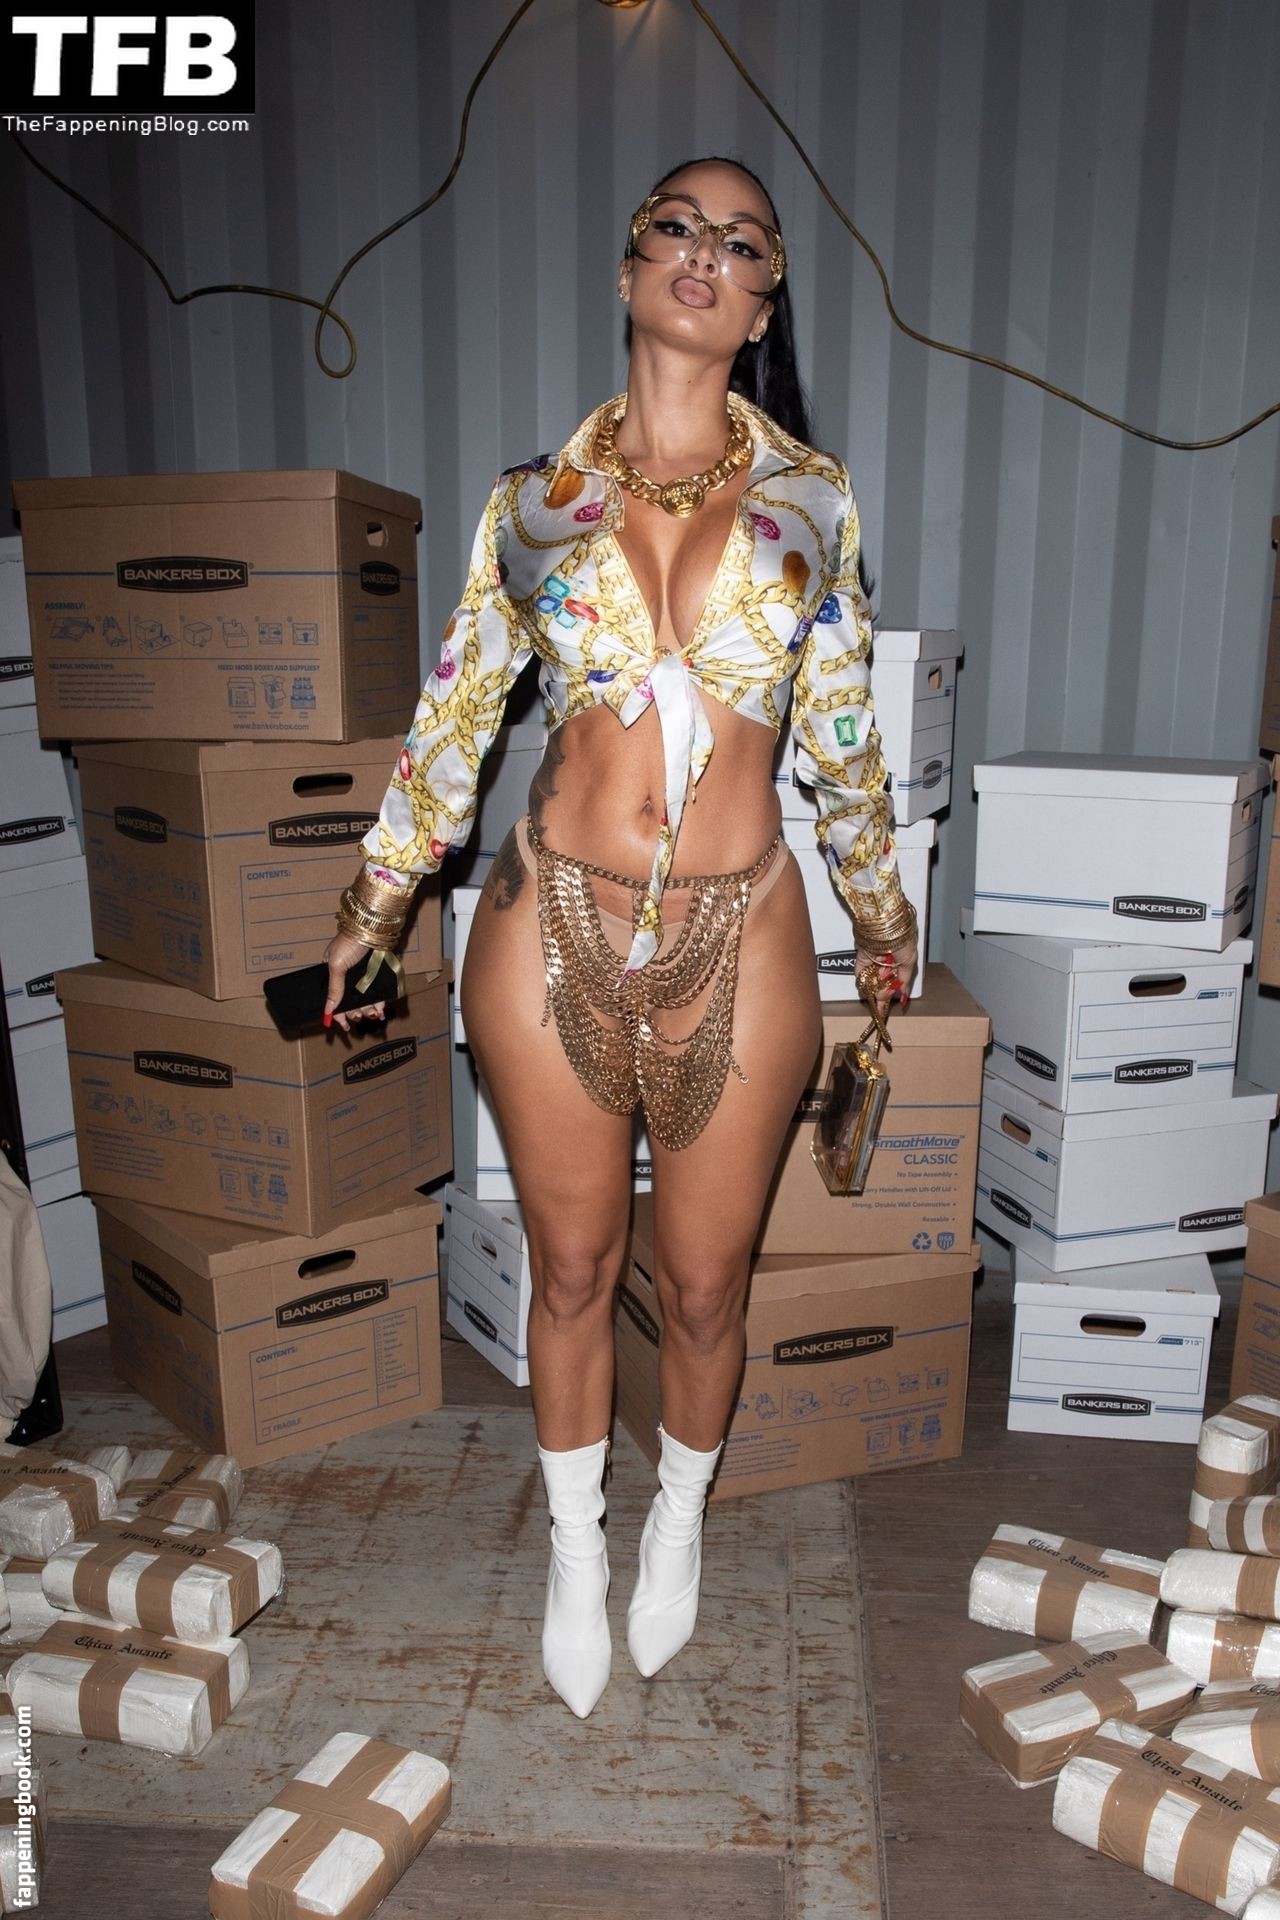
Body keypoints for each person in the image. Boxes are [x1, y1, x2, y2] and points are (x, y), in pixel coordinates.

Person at [322, 155, 918, 1719]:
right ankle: (576, 1550)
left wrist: (881, 905)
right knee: (575, 1264)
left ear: (765, 302)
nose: (705, 252)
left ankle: (678, 1524)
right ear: (629, 266)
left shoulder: (815, 502)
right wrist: (375, 909)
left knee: (706, 1288)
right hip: (550, 920)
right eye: (676, 226)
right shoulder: (530, 506)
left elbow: (843, 732)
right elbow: (455, 716)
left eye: (743, 241)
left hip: (745, 928)